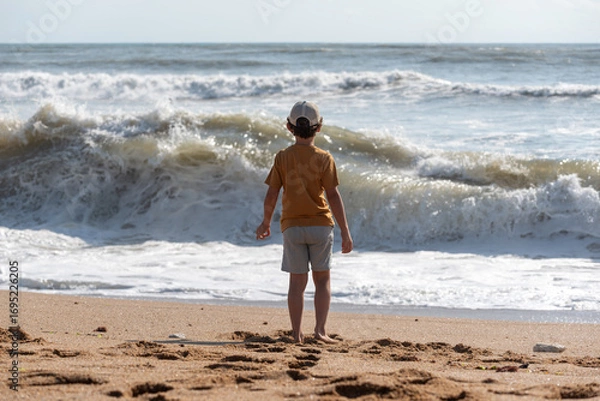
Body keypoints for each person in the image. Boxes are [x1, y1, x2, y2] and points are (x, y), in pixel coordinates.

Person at [256, 101, 353, 344]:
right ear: (319, 128)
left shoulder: (282, 157)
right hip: (320, 225)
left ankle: (297, 333)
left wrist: (266, 223)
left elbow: (272, 194)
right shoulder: (324, 158)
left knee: (297, 283)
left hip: (292, 226)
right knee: (322, 280)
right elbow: (332, 196)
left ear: (289, 127)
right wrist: (345, 231)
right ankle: (320, 331)